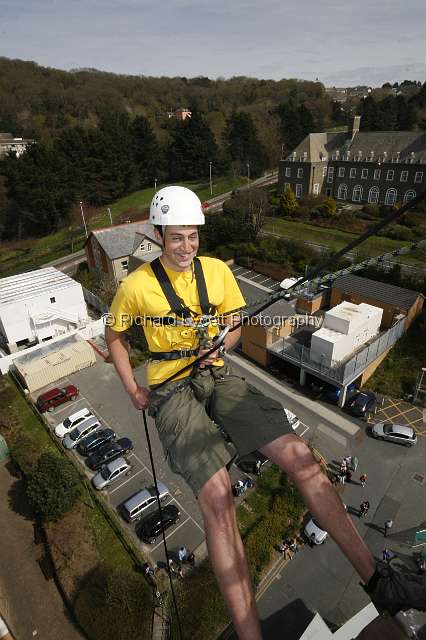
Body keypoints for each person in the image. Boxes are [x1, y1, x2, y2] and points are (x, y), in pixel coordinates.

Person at [106, 186, 426, 640]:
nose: (186, 246)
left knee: (300, 457)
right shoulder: (135, 287)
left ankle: (380, 581)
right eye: (176, 237)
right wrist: (132, 388)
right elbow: (116, 336)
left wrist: (224, 341)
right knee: (217, 498)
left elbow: (236, 326)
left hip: (216, 375)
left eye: (192, 236)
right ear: (158, 235)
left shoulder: (215, 273)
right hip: (171, 388)